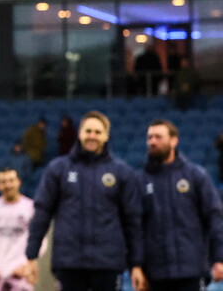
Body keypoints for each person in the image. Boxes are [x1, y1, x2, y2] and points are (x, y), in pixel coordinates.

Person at [25, 111, 143, 291]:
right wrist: (31, 255)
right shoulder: (58, 169)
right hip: (69, 263)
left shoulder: (121, 172)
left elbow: (132, 220)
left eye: (97, 132)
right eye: (88, 131)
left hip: (108, 264)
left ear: (106, 136)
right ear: (80, 133)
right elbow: (42, 212)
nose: (92, 136)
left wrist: (137, 264)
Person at [136, 119, 223, 291]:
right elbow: (135, 227)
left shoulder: (196, 176)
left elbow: (214, 219)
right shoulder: (139, 180)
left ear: (174, 140)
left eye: (158, 137)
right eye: (150, 137)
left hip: (191, 270)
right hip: (154, 273)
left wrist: (219, 258)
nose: (152, 141)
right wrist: (136, 266)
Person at [0, 168, 40, 291]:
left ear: (19, 182)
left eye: (11, 180)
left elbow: (40, 239)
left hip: (21, 273)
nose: (8, 185)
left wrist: (28, 262)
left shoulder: (31, 208)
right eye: (3, 181)